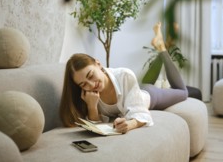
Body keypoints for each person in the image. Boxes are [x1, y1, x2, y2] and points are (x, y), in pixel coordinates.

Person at [59, 22, 188, 133]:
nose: (91, 85)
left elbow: (141, 114)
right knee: (143, 85)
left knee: (183, 92)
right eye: (83, 84)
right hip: (134, 89)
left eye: (91, 75)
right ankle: (161, 45)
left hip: (149, 95)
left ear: (98, 64)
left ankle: (162, 48)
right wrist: (92, 106)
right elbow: (97, 126)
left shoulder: (124, 75)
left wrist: (130, 124)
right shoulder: (89, 96)